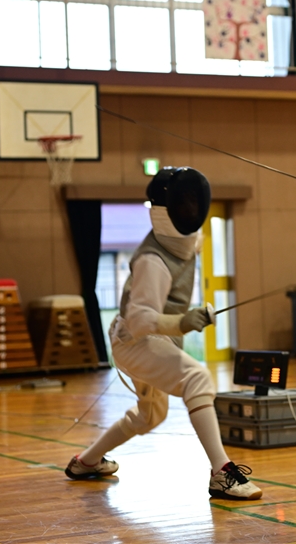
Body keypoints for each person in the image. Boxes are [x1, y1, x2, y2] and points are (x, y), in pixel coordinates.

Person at [65, 166, 262, 501]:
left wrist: (184, 318)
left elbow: (188, 253)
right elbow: (140, 320)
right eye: (183, 203)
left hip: (148, 341)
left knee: (150, 416)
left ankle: (86, 461)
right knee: (198, 378)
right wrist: (182, 322)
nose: (190, 209)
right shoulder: (152, 261)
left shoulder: (185, 242)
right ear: (164, 209)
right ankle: (221, 473)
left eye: (193, 202)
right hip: (135, 341)